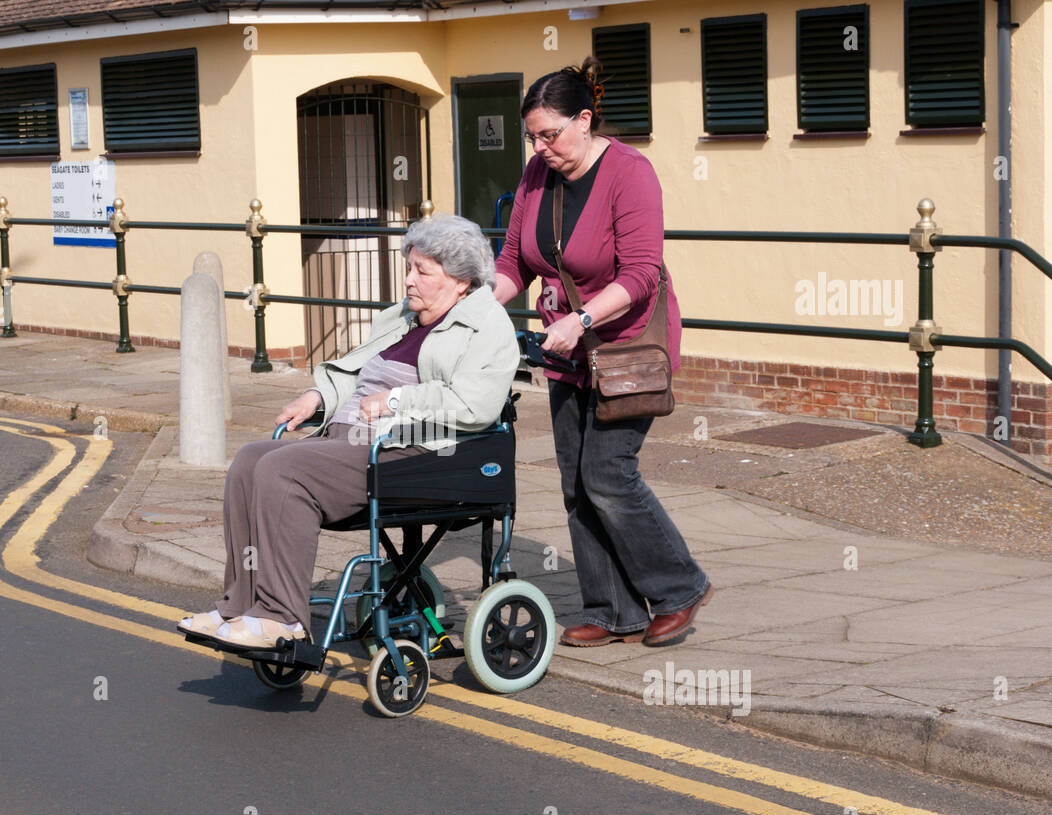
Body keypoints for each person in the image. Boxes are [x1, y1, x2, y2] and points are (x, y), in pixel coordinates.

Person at [180, 213, 520, 649]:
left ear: (460, 281)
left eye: (422, 271)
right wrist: (319, 397)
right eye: (408, 268)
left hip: (415, 451)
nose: (408, 281)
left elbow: (475, 405)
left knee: (283, 470)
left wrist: (399, 400)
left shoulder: (487, 326)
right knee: (250, 459)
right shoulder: (403, 318)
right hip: (354, 437)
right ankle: (240, 609)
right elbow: (359, 372)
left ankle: (281, 618)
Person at [492, 56, 712, 647]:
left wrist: (584, 316)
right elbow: (514, 262)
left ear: (585, 120)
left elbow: (641, 274)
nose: (540, 148)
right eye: (532, 136)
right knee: (574, 481)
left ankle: (679, 588)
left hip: (626, 345)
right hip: (566, 349)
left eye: (551, 134)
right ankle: (614, 610)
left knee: (608, 474)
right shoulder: (537, 176)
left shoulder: (630, 173)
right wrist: (477, 304)